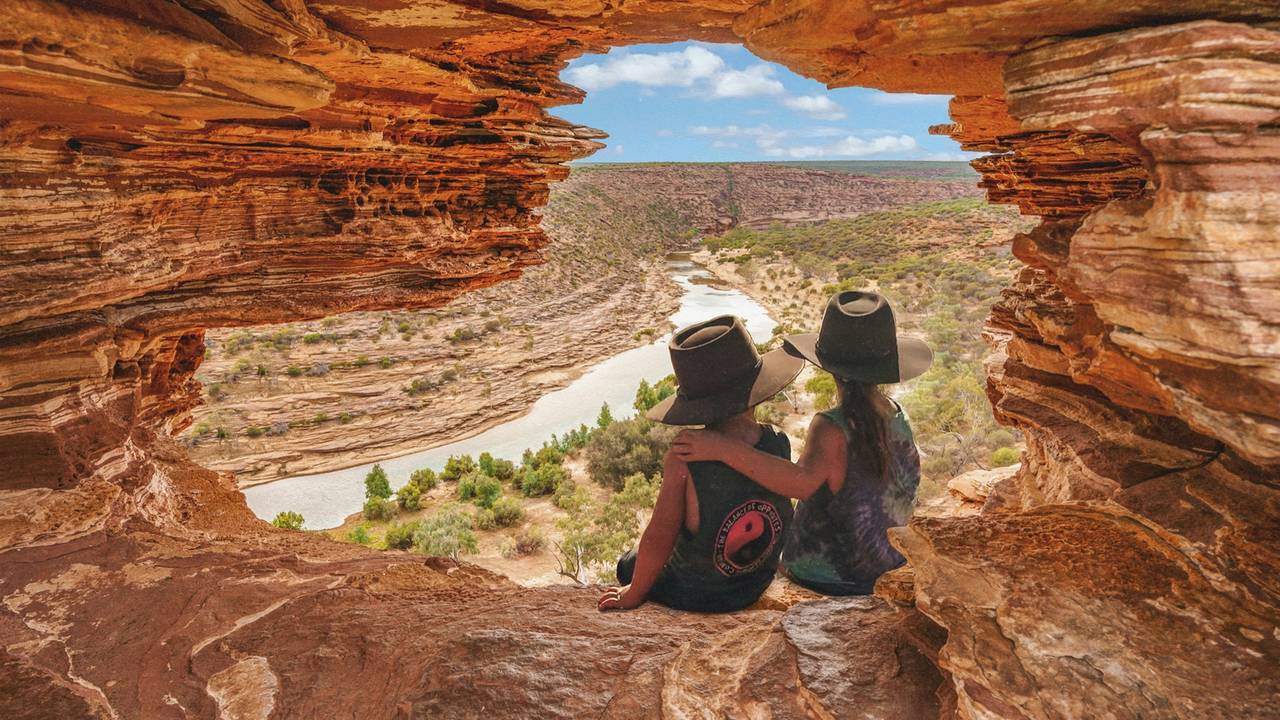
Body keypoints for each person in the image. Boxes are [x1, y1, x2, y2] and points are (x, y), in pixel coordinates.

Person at [672, 291, 932, 595]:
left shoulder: (831, 428)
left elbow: (800, 484)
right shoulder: (896, 415)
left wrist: (723, 448)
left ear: (829, 367)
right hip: (887, 562)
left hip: (829, 575)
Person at [598, 315, 803, 612]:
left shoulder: (685, 458)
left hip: (698, 594)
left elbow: (660, 534)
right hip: (754, 582)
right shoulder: (776, 442)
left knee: (628, 563)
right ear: (756, 391)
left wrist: (634, 593)